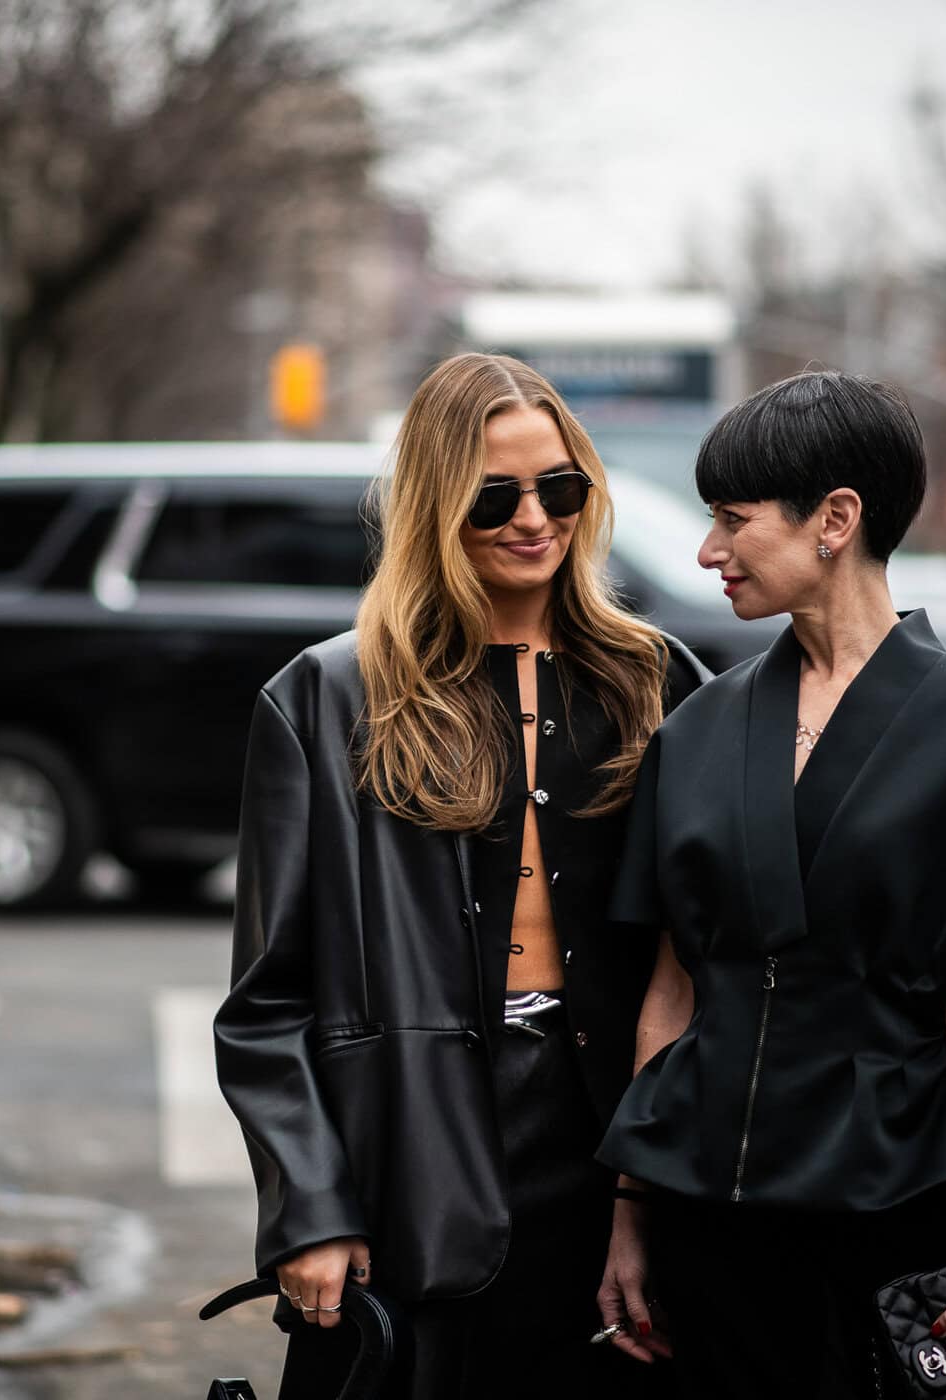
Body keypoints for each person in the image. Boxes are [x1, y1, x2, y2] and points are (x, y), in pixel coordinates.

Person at [213, 352, 707, 1399]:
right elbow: (265, 1004)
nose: (535, 519)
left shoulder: (656, 682)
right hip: (407, 1154)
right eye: (495, 497)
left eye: (559, 488)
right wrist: (311, 1204)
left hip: (613, 1150)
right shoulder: (327, 698)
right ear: (436, 506)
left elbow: (716, 950)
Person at [594, 371, 946, 1397]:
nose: (708, 550)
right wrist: (631, 1212)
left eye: (734, 520)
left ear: (835, 519)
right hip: (709, 1208)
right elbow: (672, 992)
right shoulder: (700, 726)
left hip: (890, 1203)